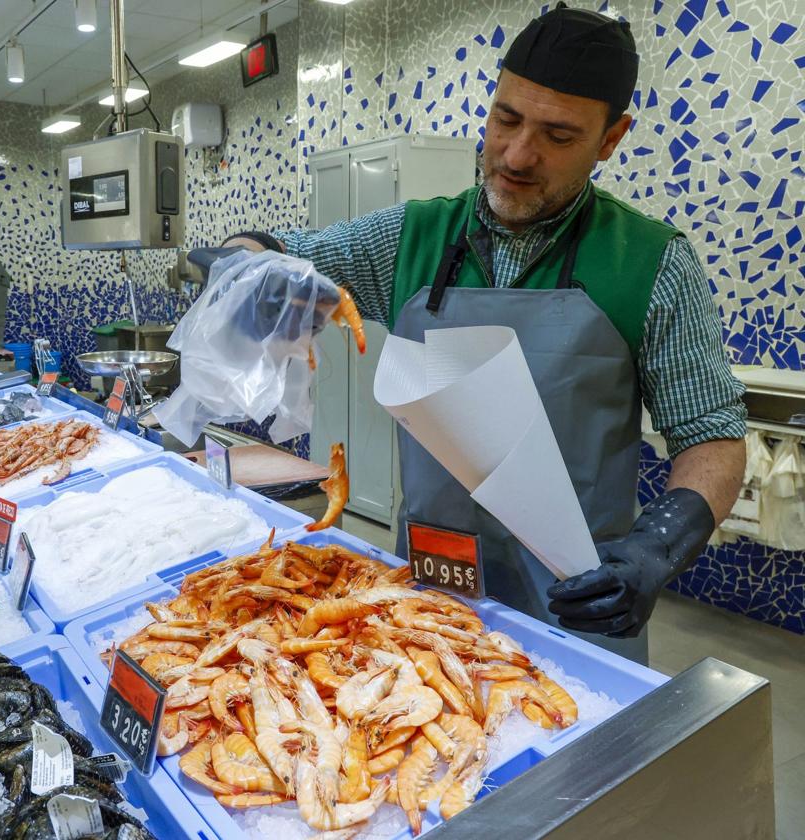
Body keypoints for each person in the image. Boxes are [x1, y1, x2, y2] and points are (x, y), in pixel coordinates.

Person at [221, 4, 747, 663]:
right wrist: (242, 262)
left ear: (610, 139)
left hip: (578, 608)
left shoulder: (651, 263)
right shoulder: (413, 237)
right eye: (506, 120)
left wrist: (658, 546)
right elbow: (289, 258)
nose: (518, 155)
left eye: (558, 136)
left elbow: (714, 437)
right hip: (432, 597)